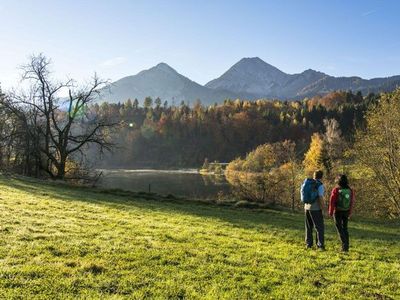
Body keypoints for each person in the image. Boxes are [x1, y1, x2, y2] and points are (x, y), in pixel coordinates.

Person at [329, 174, 355, 252]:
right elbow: (352, 202)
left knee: (339, 228)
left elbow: (332, 201)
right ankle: (346, 246)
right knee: (345, 228)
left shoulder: (336, 190)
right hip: (346, 211)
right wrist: (350, 212)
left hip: (338, 211)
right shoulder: (350, 190)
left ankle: (344, 246)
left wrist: (330, 212)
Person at [303, 170, 325, 250]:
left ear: (314, 176)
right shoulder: (319, 185)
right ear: (321, 176)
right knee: (319, 227)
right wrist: (323, 207)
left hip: (307, 207)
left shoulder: (308, 183)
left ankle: (308, 244)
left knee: (308, 227)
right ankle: (320, 245)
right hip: (315, 208)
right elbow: (320, 197)